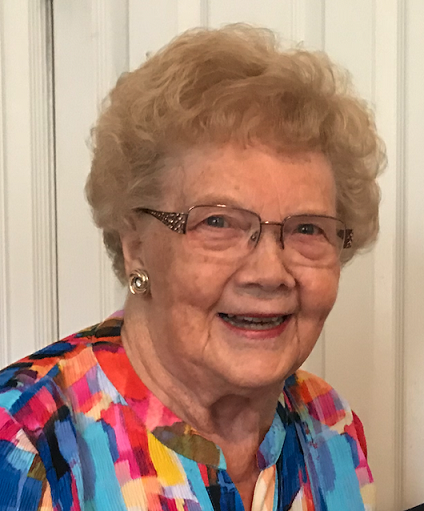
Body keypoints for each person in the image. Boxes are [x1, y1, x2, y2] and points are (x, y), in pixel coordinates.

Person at [0, 25, 384, 510]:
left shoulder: (330, 425)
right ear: (136, 246)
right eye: (218, 222)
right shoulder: (26, 443)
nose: (270, 272)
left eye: (308, 229)